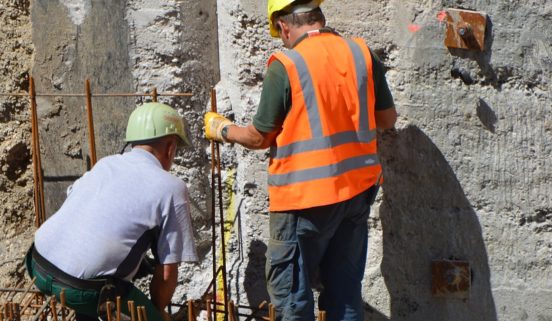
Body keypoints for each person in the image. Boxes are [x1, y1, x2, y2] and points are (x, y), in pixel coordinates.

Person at [203, 0, 397, 320]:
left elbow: (258, 137)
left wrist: (222, 129)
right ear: (318, 16)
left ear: (284, 26)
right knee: (345, 293)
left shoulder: (287, 64)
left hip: (304, 198)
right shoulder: (361, 53)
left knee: (292, 298)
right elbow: (387, 119)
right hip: (357, 193)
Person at [26, 102, 198, 321]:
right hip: (81, 290)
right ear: (171, 147)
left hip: (36, 264)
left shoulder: (106, 164)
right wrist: (156, 313)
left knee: (93, 292)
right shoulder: (171, 188)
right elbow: (167, 272)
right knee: (106, 297)